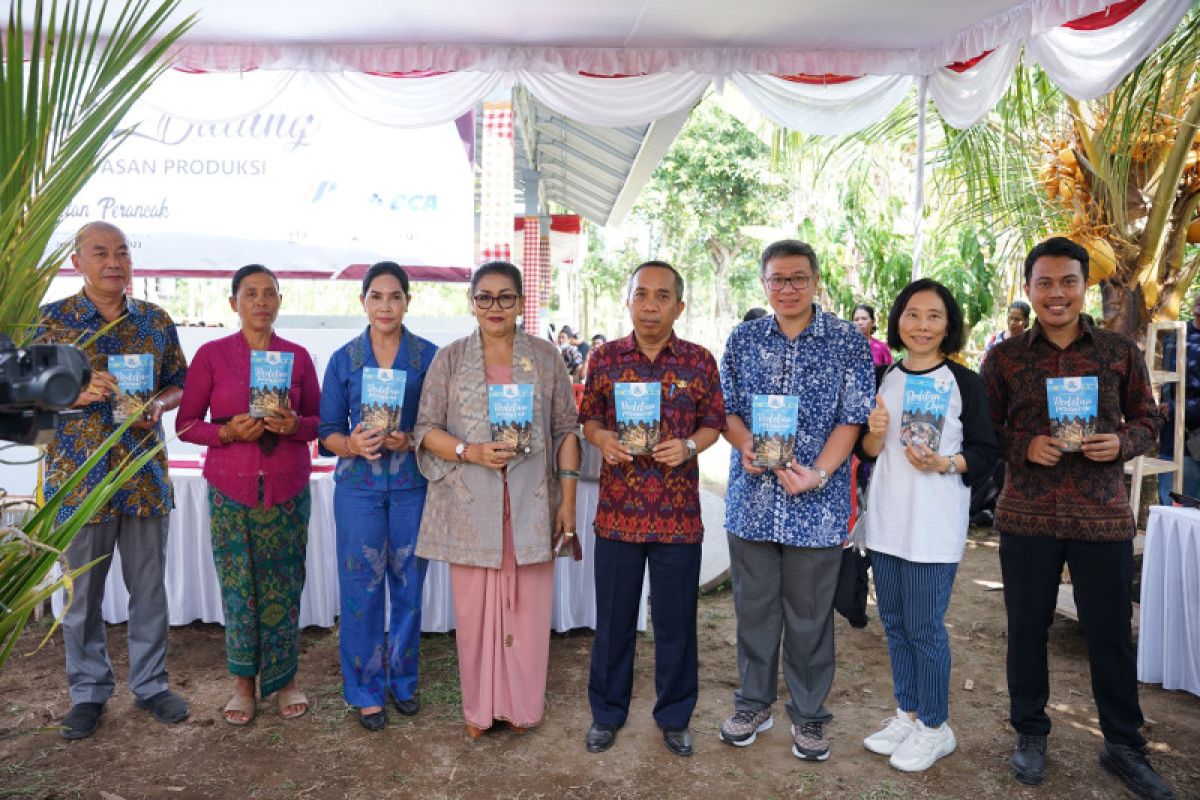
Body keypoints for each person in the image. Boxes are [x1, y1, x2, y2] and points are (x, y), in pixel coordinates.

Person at [980, 237, 1173, 799]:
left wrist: (1121, 442)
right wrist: (1024, 445)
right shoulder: (1006, 356)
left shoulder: (1118, 351)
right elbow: (986, 428)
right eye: (1045, 283)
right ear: (1028, 288)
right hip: (1028, 517)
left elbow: (1149, 419)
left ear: (1084, 285)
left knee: (1110, 633)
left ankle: (1123, 744)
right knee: (1027, 630)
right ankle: (1031, 733)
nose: (1056, 293)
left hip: (1101, 517)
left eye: (1067, 281)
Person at [717, 240, 873, 761]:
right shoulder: (742, 340)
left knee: (809, 618)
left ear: (816, 281)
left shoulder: (847, 341)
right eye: (777, 279)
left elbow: (852, 418)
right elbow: (728, 411)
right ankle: (753, 704)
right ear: (763, 282)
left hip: (817, 505)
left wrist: (820, 474)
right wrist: (744, 445)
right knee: (754, 612)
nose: (787, 288)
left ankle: (809, 718)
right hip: (753, 505)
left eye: (798, 278)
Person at [36, 221, 189, 740]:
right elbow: (22, 400)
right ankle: (88, 692)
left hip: (141, 475)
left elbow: (179, 385)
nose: (114, 261)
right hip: (78, 484)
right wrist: (67, 395)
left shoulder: (154, 321)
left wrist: (158, 406)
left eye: (122, 252)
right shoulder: (51, 324)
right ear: (77, 262)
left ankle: (151, 685)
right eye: (100, 252)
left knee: (149, 591)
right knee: (81, 598)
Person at [413, 261, 580, 737]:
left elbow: (567, 430)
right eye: (484, 297)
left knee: (528, 610)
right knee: (473, 613)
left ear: (522, 303)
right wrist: (471, 451)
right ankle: (480, 711)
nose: (494, 306)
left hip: (531, 502)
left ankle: (521, 708)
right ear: (472, 302)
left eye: (505, 297)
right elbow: (424, 431)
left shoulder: (547, 359)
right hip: (472, 503)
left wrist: (567, 501)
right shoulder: (449, 359)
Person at [580, 260, 726, 758]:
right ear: (629, 300)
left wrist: (688, 446)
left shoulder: (700, 362)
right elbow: (590, 419)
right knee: (615, 620)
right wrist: (604, 441)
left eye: (662, 296)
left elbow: (713, 423)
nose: (650, 304)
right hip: (619, 513)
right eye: (641, 294)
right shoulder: (604, 358)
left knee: (676, 621)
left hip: (677, 517)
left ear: (679, 306)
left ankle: (675, 716)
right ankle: (607, 713)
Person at [858, 279, 998, 772]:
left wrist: (946, 463)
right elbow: (869, 454)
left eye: (933, 316)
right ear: (898, 321)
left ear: (948, 325)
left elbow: (986, 451)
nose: (922, 325)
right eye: (913, 314)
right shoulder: (884, 376)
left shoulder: (965, 383)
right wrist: (873, 436)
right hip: (887, 521)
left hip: (934, 524)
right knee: (894, 623)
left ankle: (936, 726)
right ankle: (908, 713)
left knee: (924, 627)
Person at [176, 264, 321, 725]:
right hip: (230, 490)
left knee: (285, 585)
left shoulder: (297, 357)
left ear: (280, 301)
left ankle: (284, 681)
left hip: (287, 488)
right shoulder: (212, 356)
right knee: (239, 590)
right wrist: (226, 433)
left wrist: (295, 425)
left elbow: (322, 424)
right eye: (251, 294)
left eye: (270, 294)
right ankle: (243, 685)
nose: (261, 302)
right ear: (233, 301)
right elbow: (185, 425)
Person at [318, 262, 438, 731]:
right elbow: (326, 430)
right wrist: (351, 444)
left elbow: (440, 424)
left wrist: (411, 438)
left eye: (395, 297)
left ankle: (403, 681)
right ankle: (366, 690)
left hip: (412, 485)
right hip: (358, 490)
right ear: (363, 301)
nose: (386, 305)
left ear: (408, 301)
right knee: (360, 588)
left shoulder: (428, 357)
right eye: (377, 297)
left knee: (409, 587)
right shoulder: (344, 359)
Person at [1157, 291, 1200, 504]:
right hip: (1171, 442)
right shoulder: (1175, 336)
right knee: (1170, 511)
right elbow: (1168, 384)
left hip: (1195, 447)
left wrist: (1176, 408)